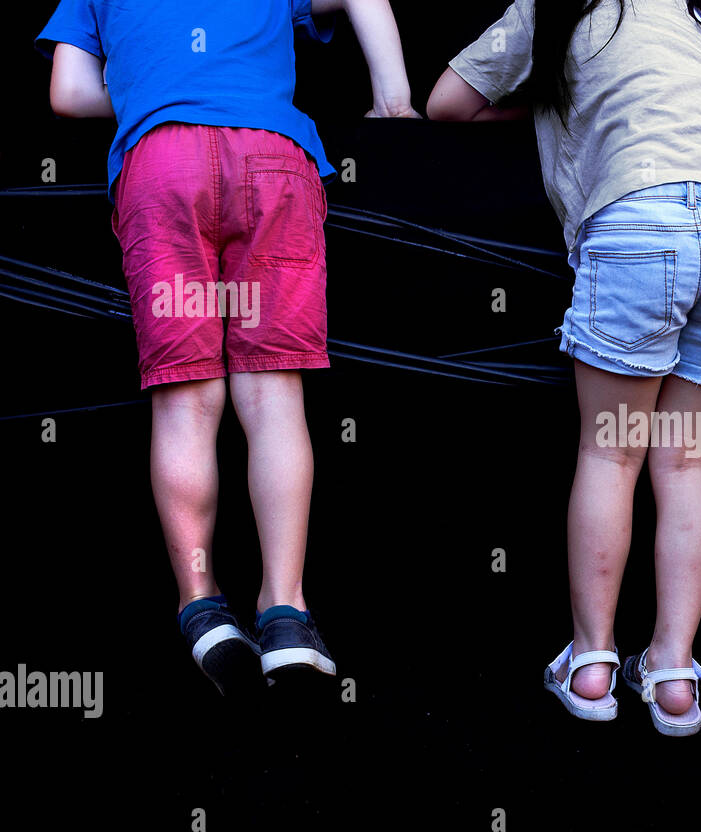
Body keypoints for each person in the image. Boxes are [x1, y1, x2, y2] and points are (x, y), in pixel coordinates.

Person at [37, 0, 419, 695]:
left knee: (186, 398)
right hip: (271, 156)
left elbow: (65, 92)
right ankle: (285, 616)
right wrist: (393, 103)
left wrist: (146, 88)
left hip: (162, 161)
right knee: (274, 396)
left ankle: (203, 608)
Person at [428, 0, 701, 735]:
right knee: (686, 462)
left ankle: (593, 665)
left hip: (641, 214)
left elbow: (444, 104)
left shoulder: (549, 9)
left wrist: (550, 110)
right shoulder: (689, 11)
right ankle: (674, 673)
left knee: (611, 453)